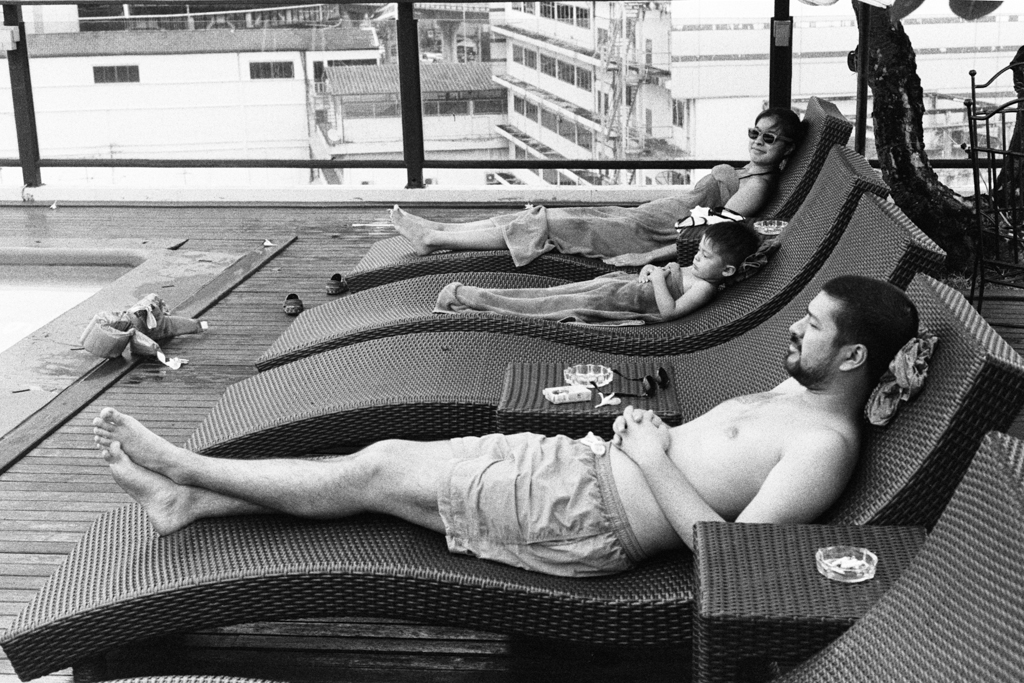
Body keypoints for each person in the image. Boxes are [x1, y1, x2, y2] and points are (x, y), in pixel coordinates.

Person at [93, 276, 918, 579]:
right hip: (573, 464)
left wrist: (652, 453)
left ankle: (188, 469)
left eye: (813, 326)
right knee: (378, 466)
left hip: (581, 514)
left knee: (373, 471)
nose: (795, 329)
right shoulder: (802, 388)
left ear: (851, 356)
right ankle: (187, 503)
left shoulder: (822, 447)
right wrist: (645, 432)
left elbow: (733, 561)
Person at [389, 107, 803, 268]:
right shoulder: (748, 171)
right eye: (755, 132)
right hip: (643, 218)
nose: (758, 141)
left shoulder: (758, 186)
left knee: (548, 223)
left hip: (647, 233)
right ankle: (441, 231)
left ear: (786, 149)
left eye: (769, 139)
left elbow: (711, 231)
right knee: (539, 215)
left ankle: (435, 240)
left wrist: (651, 254)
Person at [434, 221, 762, 324]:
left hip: (619, 302)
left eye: (705, 256)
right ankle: (470, 297)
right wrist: (651, 268)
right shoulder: (701, 272)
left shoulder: (705, 287)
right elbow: (665, 272)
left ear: (727, 269)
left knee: (548, 306)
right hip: (619, 285)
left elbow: (670, 311)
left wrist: (658, 279)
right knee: (547, 294)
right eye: (699, 251)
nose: (697, 258)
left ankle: (467, 298)